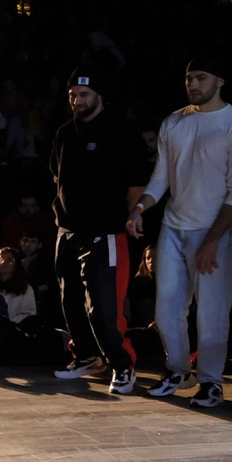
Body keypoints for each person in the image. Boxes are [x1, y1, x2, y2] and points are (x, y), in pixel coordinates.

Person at [128, 56, 232, 408]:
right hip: (173, 225)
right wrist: (140, 208)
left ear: (219, 81)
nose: (193, 84)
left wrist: (214, 239)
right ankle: (178, 370)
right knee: (167, 307)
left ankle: (212, 381)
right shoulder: (174, 122)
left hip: (213, 229)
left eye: (201, 77)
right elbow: (162, 178)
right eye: (189, 78)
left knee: (212, 311)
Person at [49, 65, 152, 393]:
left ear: (99, 97)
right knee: (70, 302)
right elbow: (57, 177)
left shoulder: (121, 131)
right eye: (72, 96)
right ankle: (87, 357)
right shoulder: (65, 132)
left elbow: (137, 183)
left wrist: (127, 216)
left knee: (103, 307)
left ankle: (123, 366)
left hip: (105, 232)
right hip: (67, 231)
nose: (77, 101)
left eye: (83, 95)